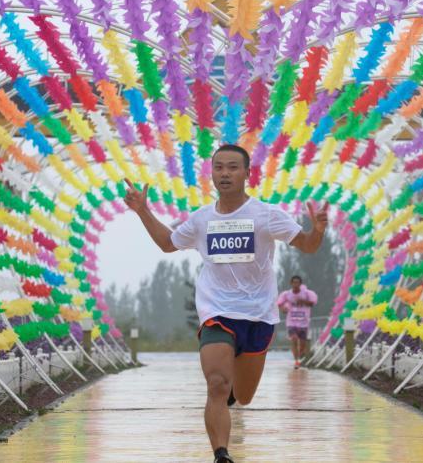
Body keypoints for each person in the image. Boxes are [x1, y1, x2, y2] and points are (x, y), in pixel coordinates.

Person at [123, 144, 328, 463]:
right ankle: (221, 454)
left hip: (258, 316)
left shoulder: (267, 215)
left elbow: (307, 245)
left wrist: (317, 231)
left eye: (233, 167)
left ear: (248, 173)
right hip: (216, 312)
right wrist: (142, 211)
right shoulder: (202, 219)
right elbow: (168, 243)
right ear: (211, 174)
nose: (225, 173)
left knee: (243, 396)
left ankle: (233, 393)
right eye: (218, 167)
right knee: (217, 384)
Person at [277, 275, 317, 368]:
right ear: (291, 283)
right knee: (294, 339)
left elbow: (312, 303)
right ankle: (296, 361)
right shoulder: (286, 294)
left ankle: (299, 357)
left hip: (304, 322)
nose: (296, 284)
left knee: (302, 345)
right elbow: (280, 303)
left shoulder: (306, 294)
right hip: (291, 321)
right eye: (294, 282)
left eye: (297, 282)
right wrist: (283, 309)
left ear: (300, 284)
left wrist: (303, 301)